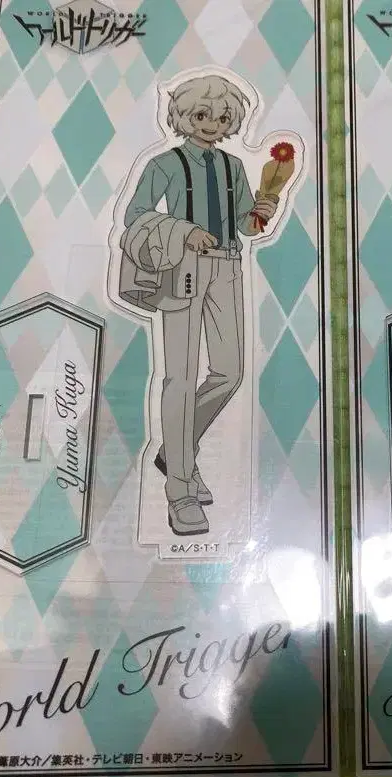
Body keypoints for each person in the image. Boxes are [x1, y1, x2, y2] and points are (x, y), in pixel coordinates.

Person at [118, 75, 277, 536]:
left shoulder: (233, 166)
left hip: (227, 268)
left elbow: (246, 225)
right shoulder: (164, 164)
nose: (212, 124)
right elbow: (135, 216)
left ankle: (174, 451)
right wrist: (184, 231)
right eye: (202, 115)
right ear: (183, 116)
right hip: (181, 267)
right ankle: (180, 488)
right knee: (180, 376)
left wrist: (265, 207)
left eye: (223, 118)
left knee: (230, 372)